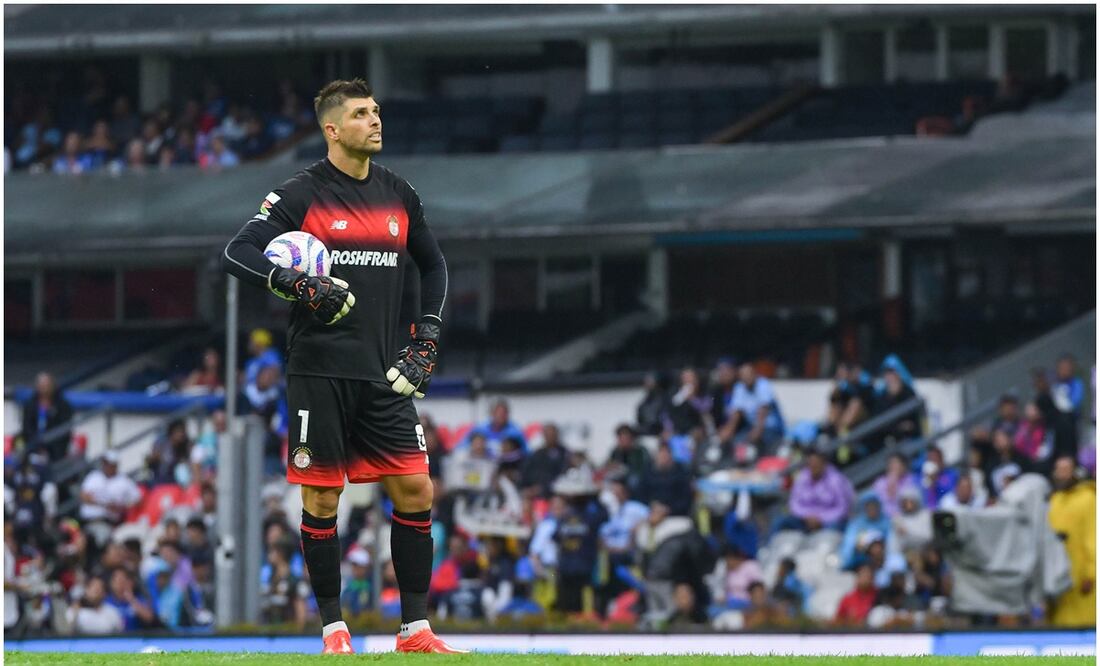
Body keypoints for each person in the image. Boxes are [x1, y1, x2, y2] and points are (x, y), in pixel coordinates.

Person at [222, 78, 458, 654]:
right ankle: (334, 630)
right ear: (332, 129)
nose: (374, 120)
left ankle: (415, 630)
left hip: (385, 373)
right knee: (322, 500)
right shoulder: (301, 194)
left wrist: (425, 338)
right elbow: (237, 252)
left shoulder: (400, 193)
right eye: (360, 113)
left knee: (416, 488)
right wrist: (296, 283)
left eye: (376, 111)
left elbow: (435, 266)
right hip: (318, 371)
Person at [1047, 456, 1095, 627]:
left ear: (1075, 472)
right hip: (1057, 573)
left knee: (1082, 622)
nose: (1061, 474)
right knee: (1058, 622)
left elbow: (1093, 537)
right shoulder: (1055, 500)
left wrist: (1091, 572)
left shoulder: (1089, 499)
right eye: (1058, 469)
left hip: (1080, 575)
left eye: (1065, 469)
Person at [775, 449, 854, 534]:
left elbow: (843, 507)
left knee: (834, 528)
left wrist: (821, 518)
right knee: (781, 522)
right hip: (805, 519)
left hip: (829, 521)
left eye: (816, 463)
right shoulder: (802, 477)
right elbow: (794, 503)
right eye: (810, 463)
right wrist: (807, 517)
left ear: (824, 464)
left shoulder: (836, 479)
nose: (813, 466)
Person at [719, 362, 784, 456]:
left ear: (755, 374)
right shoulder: (739, 387)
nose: (746, 378)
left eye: (749, 374)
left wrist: (757, 431)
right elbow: (737, 413)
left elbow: (763, 411)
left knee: (760, 446)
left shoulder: (763, 385)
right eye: (743, 375)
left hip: (771, 428)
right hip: (751, 427)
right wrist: (728, 430)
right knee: (736, 442)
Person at [19, 372, 74, 462]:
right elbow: (26, 428)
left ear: (52, 385)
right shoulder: (30, 404)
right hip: (34, 448)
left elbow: (65, 428)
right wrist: (36, 445)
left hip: (56, 450)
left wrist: (52, 447)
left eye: (46, 385)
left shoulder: (62, 404)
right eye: (41, 385)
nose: (44, 388)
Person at [519, 422, 568, 499]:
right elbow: (525, 472)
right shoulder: (536, 454)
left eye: (552, 434)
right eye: (547, 434)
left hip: (554, 494)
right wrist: (527, 488)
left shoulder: (564, 454)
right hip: (532, 493)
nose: (550, 437)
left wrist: (543, 488)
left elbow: (562, 476)